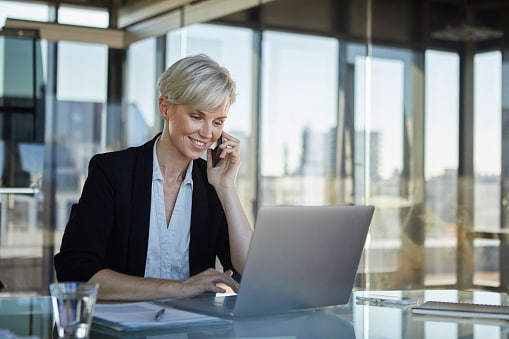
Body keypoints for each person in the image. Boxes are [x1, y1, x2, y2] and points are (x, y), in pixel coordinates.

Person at [54, 54, 253, 301]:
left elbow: (251, 271)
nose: (207, 133)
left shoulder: (211, 184)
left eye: (218, 122)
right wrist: (176, 288)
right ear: (165, 108)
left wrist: (226, 188)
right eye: (197, 117)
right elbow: (75, 271)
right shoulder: (112, 172)